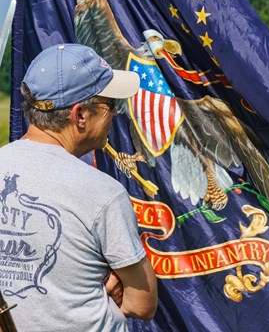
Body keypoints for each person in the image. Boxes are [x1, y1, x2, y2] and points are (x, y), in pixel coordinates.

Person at [0, 43, 158, 331]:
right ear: (80, 115)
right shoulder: (103, 193)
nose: (115, 115)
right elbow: (141, 305)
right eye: (111, 105)